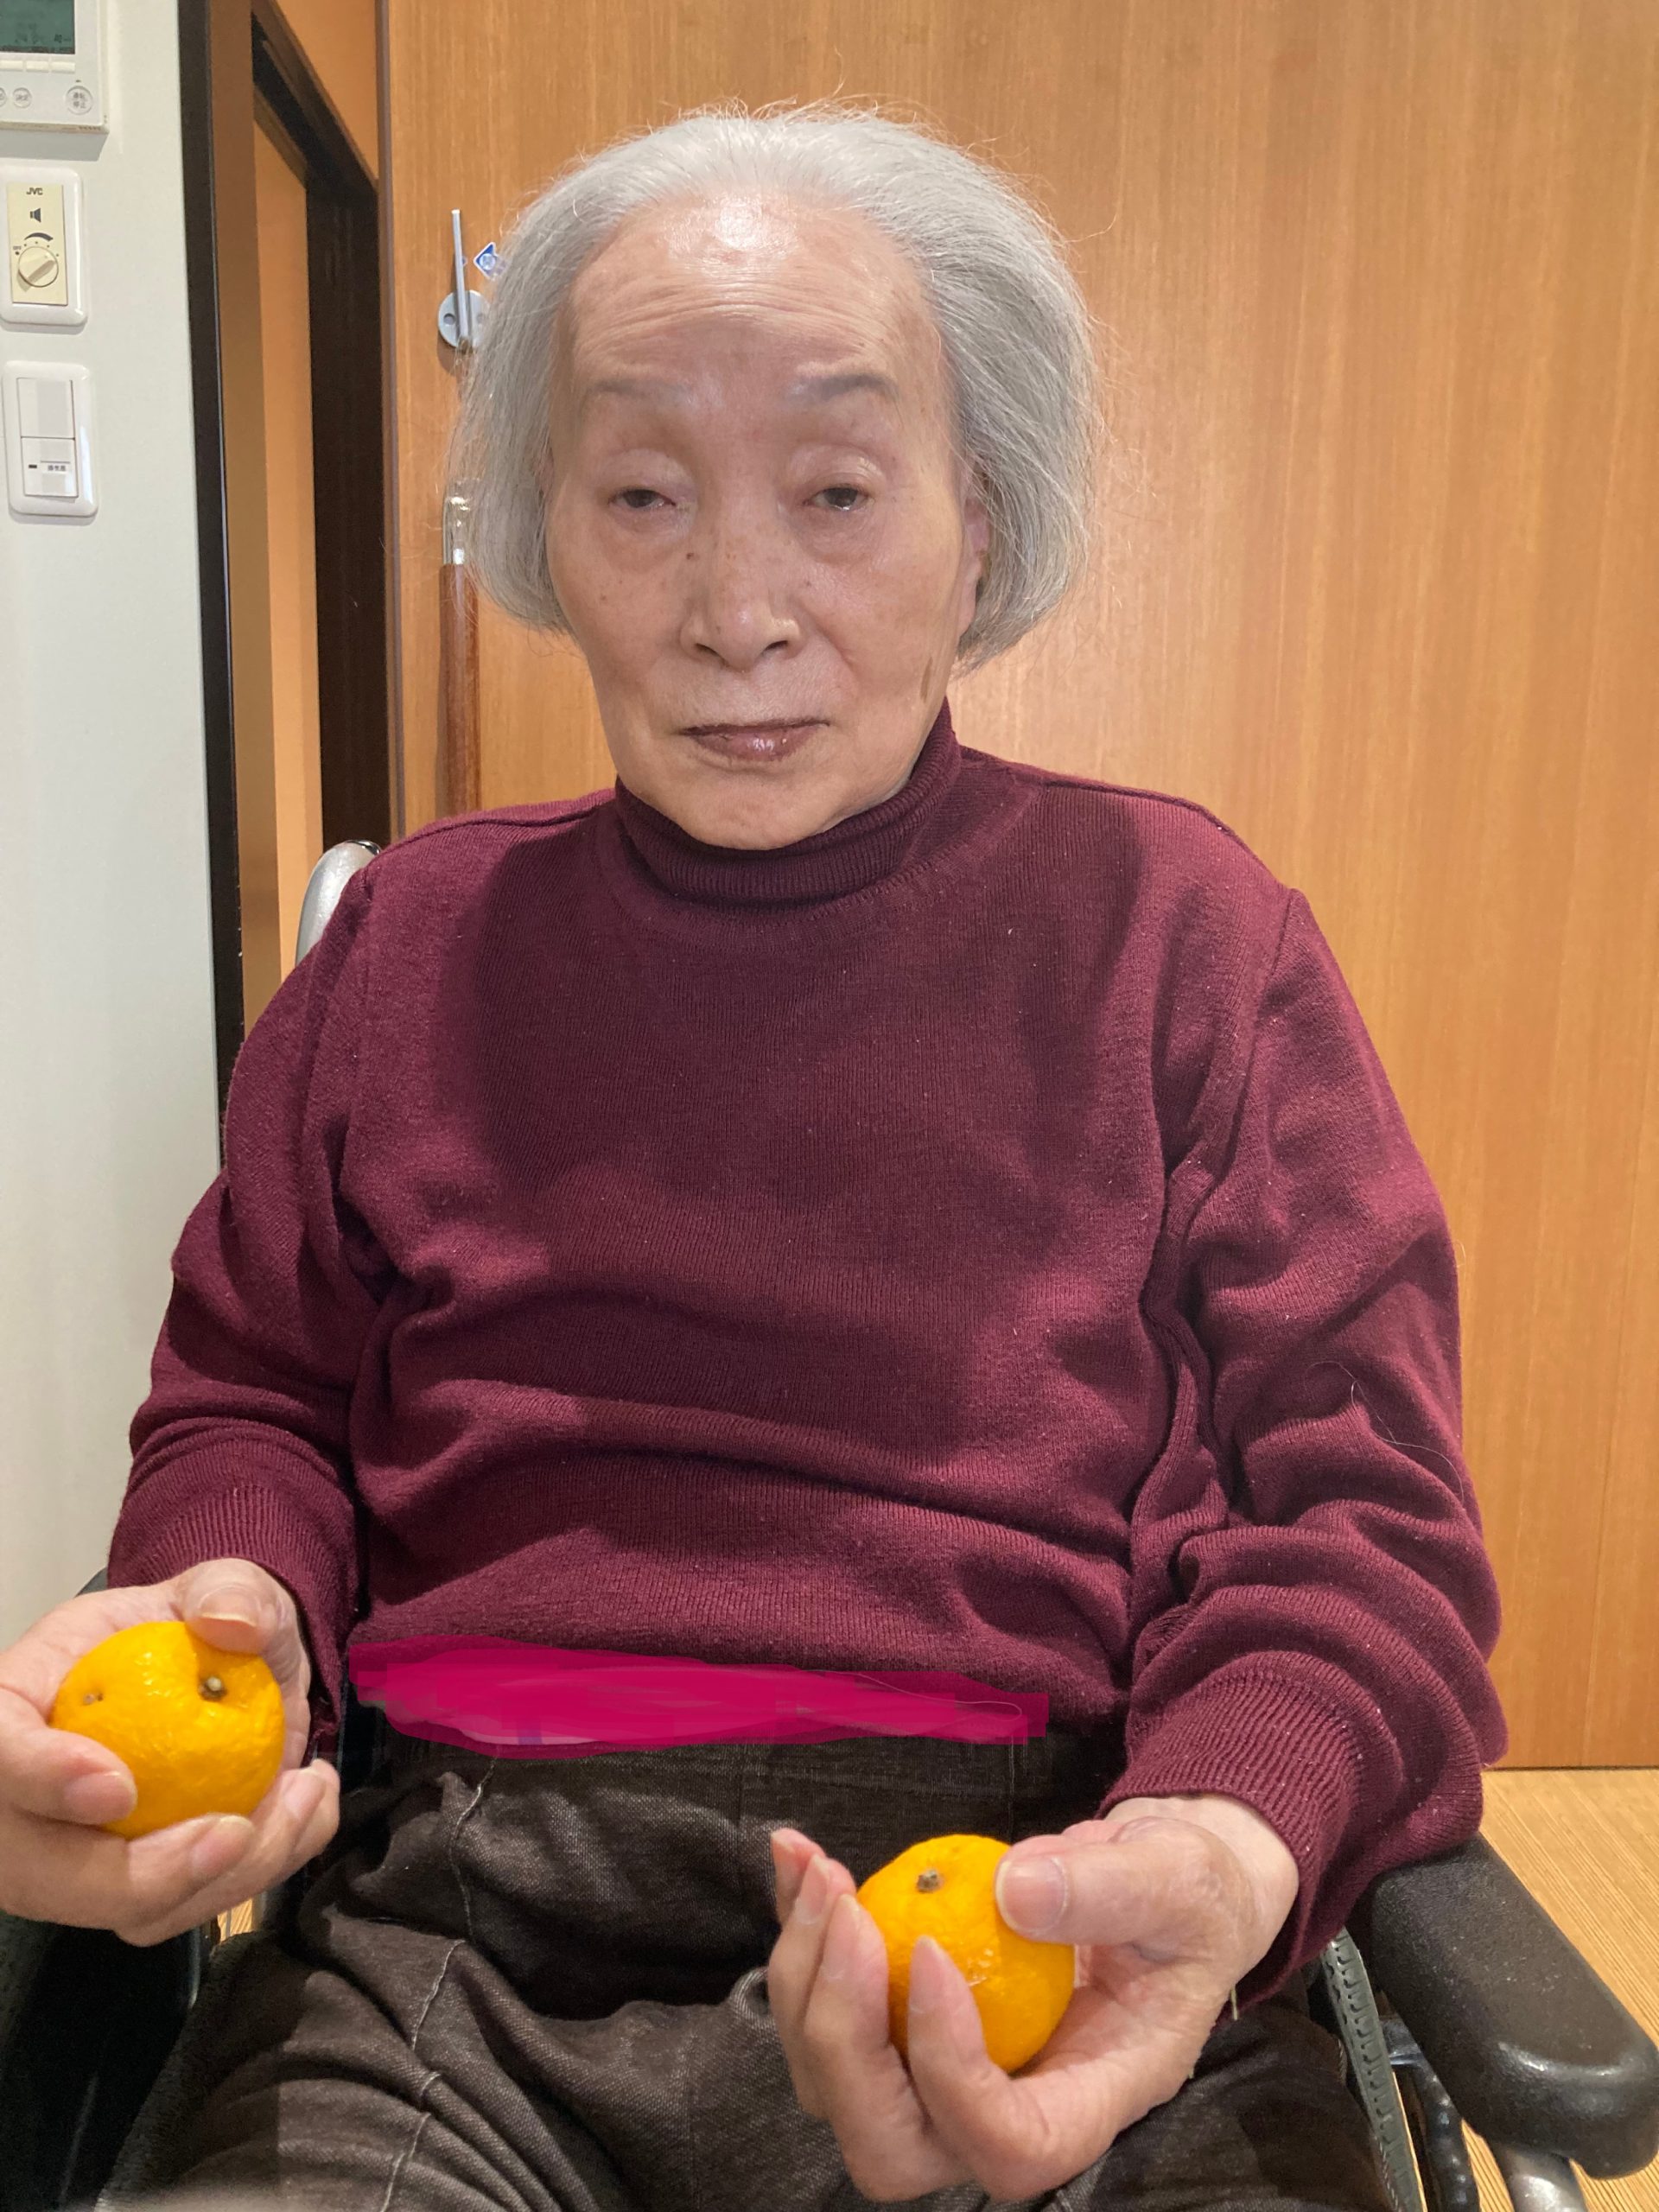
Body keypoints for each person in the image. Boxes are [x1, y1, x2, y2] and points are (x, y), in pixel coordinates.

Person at [0, 97, 1506, 2210]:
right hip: (461, 1950)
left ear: (979, 527)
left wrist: (1233, 1830)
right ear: (546, 532)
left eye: (836, 490)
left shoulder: (1190, 947)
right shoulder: (410, 947)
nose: (736, 607)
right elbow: (254, 1396)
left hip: (1041, 1912)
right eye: (642, 492)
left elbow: (1355, 1515)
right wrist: (219, 1586)